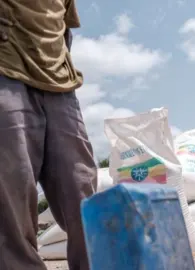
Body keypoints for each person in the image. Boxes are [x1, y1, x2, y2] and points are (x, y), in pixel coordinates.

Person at [0, 1, 97, 270]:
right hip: (5, 75)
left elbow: (64, 29)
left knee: (81, 186)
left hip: (60, 86)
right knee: (12, 191)